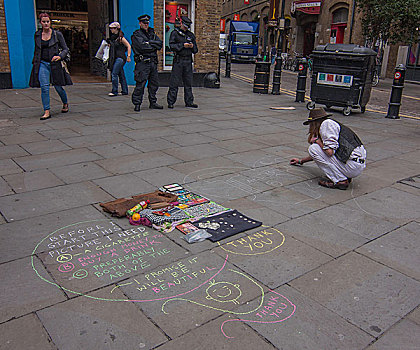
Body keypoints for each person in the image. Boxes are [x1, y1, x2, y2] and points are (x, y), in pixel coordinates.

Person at [290, 108, 366, 190]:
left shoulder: (326, 125)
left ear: (314, 123)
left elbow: (329, 152)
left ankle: (340, 180)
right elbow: (322, 153)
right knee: (316, 148)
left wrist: (317, 141)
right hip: (355, 164)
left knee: (313, 148)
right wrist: (301, 161)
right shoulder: (331, 124)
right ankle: (344, 175)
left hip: (352, 166)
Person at [29, 13, 72, 120]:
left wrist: (59, 56)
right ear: (40, 23)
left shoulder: (57, 34)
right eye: (44, 22)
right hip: (42, 63)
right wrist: (35, 63)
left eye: (48, 21)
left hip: (55, 63)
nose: (46, 23)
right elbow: (37, 50)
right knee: (44, 88)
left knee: (58, 87)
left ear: (50, 22)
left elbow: (66, 49)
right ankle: (46, 111)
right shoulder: (37, 35)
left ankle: (65, 103)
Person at [131, 14, 163, 112]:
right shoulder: (137, 34)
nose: (146, 25)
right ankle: (137, 103)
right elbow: (142, 47)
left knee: (154, 84)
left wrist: (149, 43)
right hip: (142, 63)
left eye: (147, 23)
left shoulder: (152, 34)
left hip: (153, 62)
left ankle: (153, 102)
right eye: (144, 23)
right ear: (140, 23)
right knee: (140, 84)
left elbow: (159, 44)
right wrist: (151, 44)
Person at [167, 16, 198, 109]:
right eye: (184, 26)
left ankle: (189, 101)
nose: (185, 28)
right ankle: (171, 102)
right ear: (181, 23)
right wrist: (182, 45)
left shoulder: (191, 35)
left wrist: (192, 46)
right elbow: (171, 46)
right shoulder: (175, 33)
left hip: (188, 61)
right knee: (174, 82)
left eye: (187, 26)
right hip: (178, 60)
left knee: (188, 82)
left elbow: (196, 50)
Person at [107, 21, 131, 96]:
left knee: (114, 74)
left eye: (113, 28)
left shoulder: (121, 38)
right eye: (110, 28)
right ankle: (125, 90)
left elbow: (128, 46)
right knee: (121, 74)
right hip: (116, 58)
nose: (111, 30)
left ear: (116, 29)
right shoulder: (113, 38)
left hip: (120, 58)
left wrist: (128, 56)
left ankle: (114, 91)